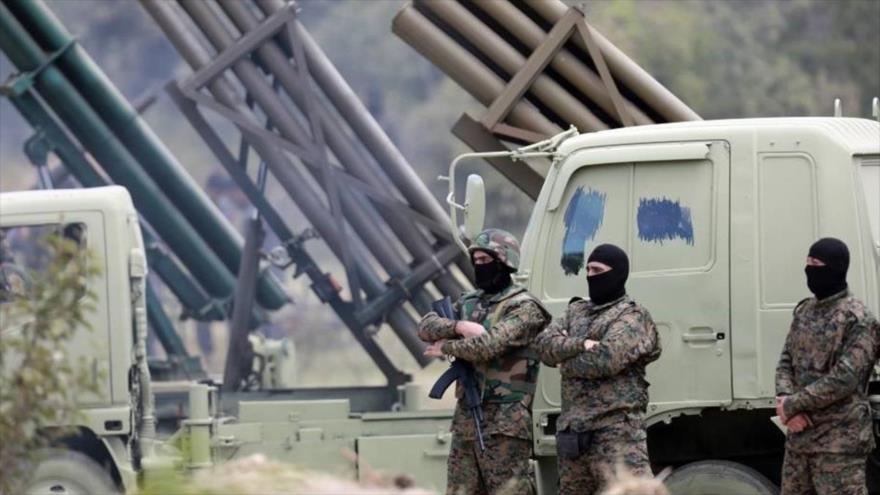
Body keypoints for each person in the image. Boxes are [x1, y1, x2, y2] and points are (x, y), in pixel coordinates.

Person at [419, 228, 550, 494]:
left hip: (506, 423)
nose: (479, 266)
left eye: (485, 261)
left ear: (505, 262)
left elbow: (489, 346)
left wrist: (446, 345)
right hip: (467, 419)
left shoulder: (525, 307)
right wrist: (460, 326)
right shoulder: (469, 302)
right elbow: (425, 326)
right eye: (475, 261)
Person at [533, 244, 661, 494]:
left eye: (598, 269)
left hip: (616, 434)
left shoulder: (632, 317)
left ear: (617, 273)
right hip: (574, 435)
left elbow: (606, 359)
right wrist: (581, 344)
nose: (591, 275)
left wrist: (564, 362)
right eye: (588, 269)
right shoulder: (575, 311)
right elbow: (542, 345)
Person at [775, 237, 878, 495]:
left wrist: (792, 405)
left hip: (839, 444)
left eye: (816, 263)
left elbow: (844, 379)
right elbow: (786, 359)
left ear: (835, 268)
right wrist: (786, 400)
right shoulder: (805, 310)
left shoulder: (859, 319)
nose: (809, 268)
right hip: (800, 441)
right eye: (807, 262)